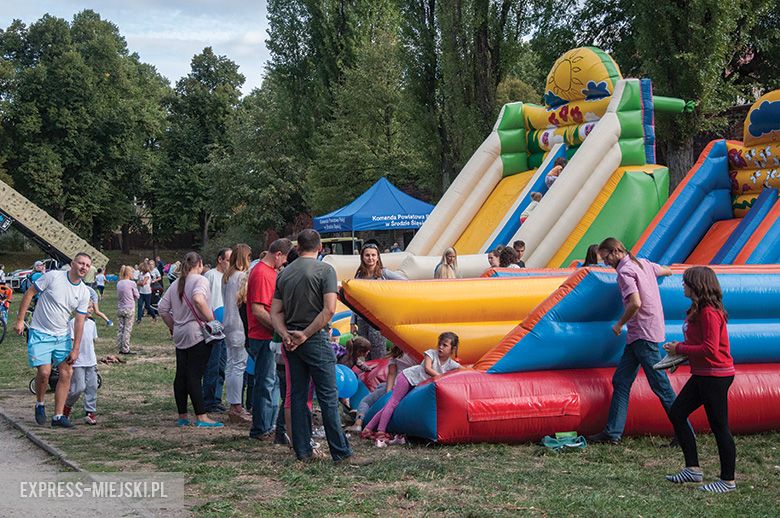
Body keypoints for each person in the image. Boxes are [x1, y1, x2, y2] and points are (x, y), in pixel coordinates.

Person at [270, 229, 368, 464]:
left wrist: (286, 335)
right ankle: (341, 453)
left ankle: (302, 451)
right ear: (320, 247)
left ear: (297, 247)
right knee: (328, 396)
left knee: (298, 396)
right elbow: (329, 310)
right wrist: (305, 334)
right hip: (314, 338)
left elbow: (274, 311)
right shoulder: (325, 270)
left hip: (292, 341)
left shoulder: (284, 274)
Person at [587, 237, 679, 445]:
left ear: (615, 252)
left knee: (661, 386)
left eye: (606, 258)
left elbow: (635, 302)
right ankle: (612, 432)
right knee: (621, 380)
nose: (606, 263)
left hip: (643, 334)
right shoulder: (643, 263)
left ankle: (684, 432)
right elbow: (666, 270)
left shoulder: (625, 272)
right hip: (643, 333)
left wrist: (619, 324)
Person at [662, 266, 736, 493]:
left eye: (686, 282)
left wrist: (679, 348)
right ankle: (692, 469)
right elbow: (701, 345)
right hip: (703, 374)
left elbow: (711, 349)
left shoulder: (709, 312)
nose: (682, 285)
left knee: (719, 426)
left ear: (697, 284)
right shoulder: (697, 310)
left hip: (716, 375)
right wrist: (678, 355)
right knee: (677, 413)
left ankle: (727, 481)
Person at [13, 253, 92, 428]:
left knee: (66, 372)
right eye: (81, 263)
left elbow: (79, 321)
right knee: (45, 372)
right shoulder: (53, 277)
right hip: (40, 332)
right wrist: (20, 320)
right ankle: (40, 403)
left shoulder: (84, 292)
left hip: (62, 335)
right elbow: (30, 292)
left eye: (87, 265)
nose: (83, 267)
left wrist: (76, 348)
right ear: (72, 264)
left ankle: (58, 416)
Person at [157, 252, 223, 428]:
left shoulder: (177, 283)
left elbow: (163, 308)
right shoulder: (201, 280)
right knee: (195, 375)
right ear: (200, 263)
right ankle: (202, 417)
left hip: (180, 332)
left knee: (181, 374)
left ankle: (182, 416)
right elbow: (198, 299)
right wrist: (212, 321)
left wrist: (173, 326)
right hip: (196, 332)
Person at [361, 332, 462, 447]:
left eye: (445, 345)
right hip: (407, 378)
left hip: (415, 384)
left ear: (452, 349)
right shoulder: (431, 354)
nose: (440, 347)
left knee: (391, 406)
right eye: (440, 344)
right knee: (393, 403)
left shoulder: (450, 363)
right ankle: (380, 432)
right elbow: (427, 368)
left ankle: (368, 428)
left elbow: (463, 370)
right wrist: (441, 377)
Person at [247, 239, 292, 440]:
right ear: (278, 254)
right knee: (265, 383)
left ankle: (269, 425)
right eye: (284, 259)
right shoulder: (262, 273)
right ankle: (261, 428)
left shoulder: (268, 272)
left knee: (271, 382)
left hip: (267, 336)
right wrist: (279, 329)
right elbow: (258, 310)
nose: (283, 263)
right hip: (263, 336)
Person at [350, 244, 405, 360]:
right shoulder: (359, 276)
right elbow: (355, 300)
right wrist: (352, 322)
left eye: (373, 255)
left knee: (378, 348)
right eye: (367, 255)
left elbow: (404, 282)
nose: (370, 258)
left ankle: (379, 374)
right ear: (362, 257)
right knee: (363, 349)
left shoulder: (383, 273)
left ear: (378, 257)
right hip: (362, 318)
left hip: (377, 318)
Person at [346, 345, 417, 433]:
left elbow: (391, 374)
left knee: (365, 401)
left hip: (396, 386)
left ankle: (358, 423)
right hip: (411, 387)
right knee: (379, 387)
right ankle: (360, 414)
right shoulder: (416, 353)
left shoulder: (396, 355)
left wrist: (389, 392)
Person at [222, 243, 253, 424]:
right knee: (238, 365)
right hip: (239, 324)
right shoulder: (242, 276)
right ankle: (236, 405)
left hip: (228, 321)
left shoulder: (227, 276)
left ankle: (233, 403)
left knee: (231, 364)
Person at [202, 248, 232, 413]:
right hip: (213, 325)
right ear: (220, 259)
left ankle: (216, 398)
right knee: (212, 365)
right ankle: (208, 400)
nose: (230, 263)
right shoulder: (211, 276)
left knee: (221, 365)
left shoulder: (228, 277)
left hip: (225, 325)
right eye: (228, 259)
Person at [63, 303, 99, 425]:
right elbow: (71, 342)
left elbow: (92, 341)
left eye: (92, 307)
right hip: (78, 362)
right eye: (88, 307)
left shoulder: (92, 324)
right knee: (78, 388)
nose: (91, 310)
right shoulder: (72, 323)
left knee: (92, 386)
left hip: (91, 361)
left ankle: (90, 412)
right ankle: (66, 407)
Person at [116, 265, 140, 354]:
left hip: (120, 307)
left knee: (120, 328)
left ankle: (119, 346)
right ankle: (125, 348)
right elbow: (137, 295)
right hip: (129, 308)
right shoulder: (132, 283)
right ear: (129, 273)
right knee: (127, 329)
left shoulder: (119, 283)